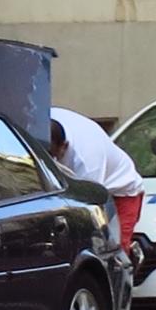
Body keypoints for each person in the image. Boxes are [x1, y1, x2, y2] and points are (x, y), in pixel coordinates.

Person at [49, 107, 145, 255]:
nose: (52, 160)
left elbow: (87, 207)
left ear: (65, 146)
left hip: (122, 192)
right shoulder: (45, 120)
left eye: (54, 155)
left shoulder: (88, 161)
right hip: (80, 183)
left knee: (115, 250)